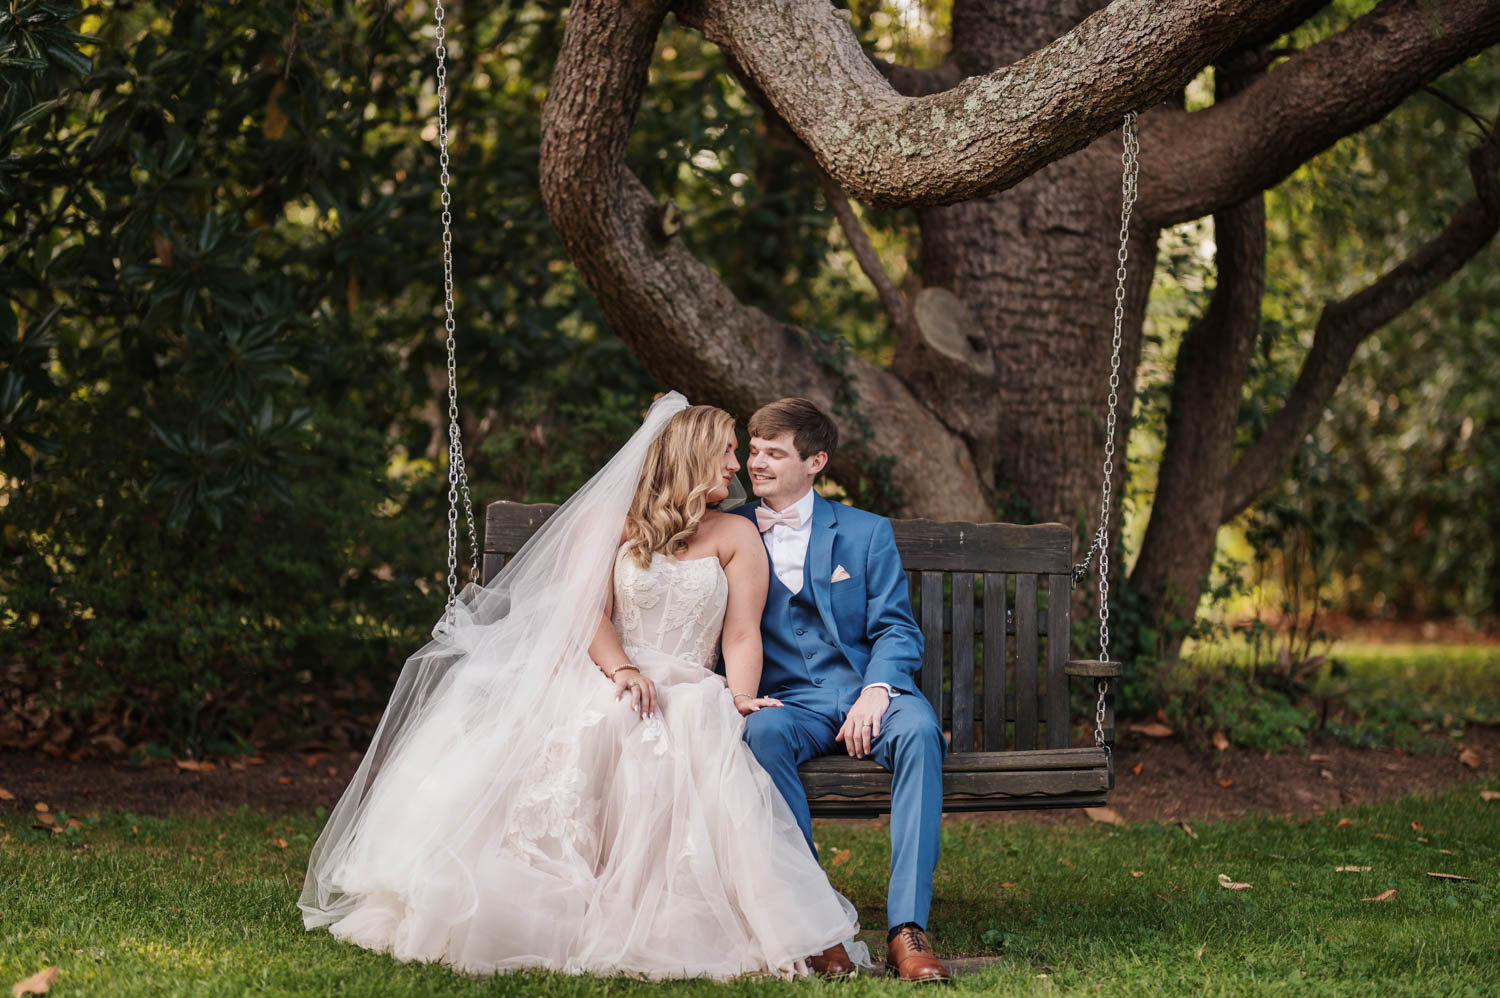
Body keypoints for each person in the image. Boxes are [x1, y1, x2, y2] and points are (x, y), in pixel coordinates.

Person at [299, 395, 867, 979]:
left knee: (700, 725)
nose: (735, 466)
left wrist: (740, 694)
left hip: (692, 683)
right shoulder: (612, 523)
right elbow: (587, 614)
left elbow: (743, 633)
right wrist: (623, 669)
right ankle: (570, 898)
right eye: (726, 451)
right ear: (691, 454)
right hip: (610, 670)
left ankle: (720, 915)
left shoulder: (736, 535)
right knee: (612, 717)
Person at [733, 397, 950, 983]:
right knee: (760, 732)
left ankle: (907, 928)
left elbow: (897, 627)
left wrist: (879, 689)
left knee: (921, 732)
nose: (757, 463)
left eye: (774, 453)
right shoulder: (730, 527)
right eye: (753, 450)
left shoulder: (865, 532)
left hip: (868, 692)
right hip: (788, 703)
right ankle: (819, 925)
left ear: (815, 462)